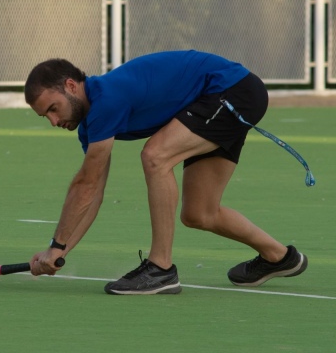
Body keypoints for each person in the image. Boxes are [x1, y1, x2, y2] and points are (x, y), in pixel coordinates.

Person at [25, 50, 308, 295]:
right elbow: (93, 194)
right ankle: (279, 257)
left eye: (53, 108)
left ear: (71, 86)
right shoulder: (91, 126)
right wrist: (59, 252)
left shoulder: (106, 99)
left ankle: (160, 267)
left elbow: (84, 186)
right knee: (199, 213)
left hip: (231, 91)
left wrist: (56, 244)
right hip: (216, 100)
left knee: (156, 156)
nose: (53, 121)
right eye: (45, 116)